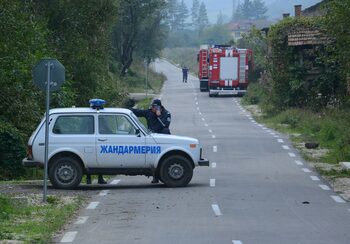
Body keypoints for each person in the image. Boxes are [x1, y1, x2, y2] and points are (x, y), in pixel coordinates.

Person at [131, 99, 171, 183]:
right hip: (151, 139)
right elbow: (138, 112)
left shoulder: (166, 114)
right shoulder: (149, 112)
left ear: (158, 107)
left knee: (160, 160)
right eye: (152, 106)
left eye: (154, 106)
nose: (152, 108)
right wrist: (127, 109)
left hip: (161, 141)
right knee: (152, 160)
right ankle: (155, 177)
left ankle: (162, 176)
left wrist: (159, 116)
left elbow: (165, 125)